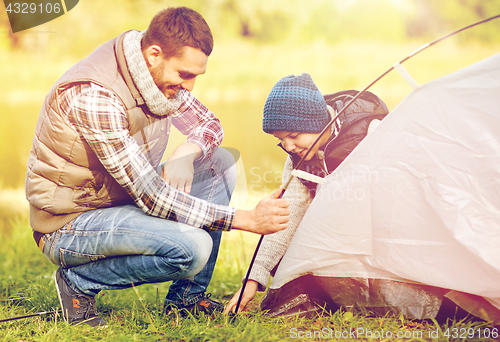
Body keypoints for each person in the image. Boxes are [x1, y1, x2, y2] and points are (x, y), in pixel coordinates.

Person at [25, 7, 289, 327]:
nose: (189, 86)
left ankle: (186, 299)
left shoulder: (159, 78)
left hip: (120, 202)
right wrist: (246, 219)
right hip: (67, 225)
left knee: (219, 163)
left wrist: (185, 152)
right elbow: (153, 197)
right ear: (154, 54)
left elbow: (209, 124)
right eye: (185, 74)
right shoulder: (96, 97)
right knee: (193, 248)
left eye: (196, 76)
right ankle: (78, 284)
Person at [225, 73, 388, 314]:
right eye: (280, 139)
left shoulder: (371, 132)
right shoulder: (298, 160)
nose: (289, 147)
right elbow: (285, 218)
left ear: (319, 123)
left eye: (293, 136)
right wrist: (253, 279)